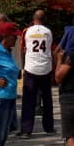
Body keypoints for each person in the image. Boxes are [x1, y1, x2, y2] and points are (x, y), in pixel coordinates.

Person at [17, 10, 55, 138]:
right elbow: (50, 49)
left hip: (31, 68)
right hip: (46, 68)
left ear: (33, 19)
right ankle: (49, 127)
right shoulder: (48, 32)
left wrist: (23, 66)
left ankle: (26, 130)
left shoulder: (27, 32)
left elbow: (23, 49)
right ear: (44, 19)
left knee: (28, 100)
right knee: (47, 99)